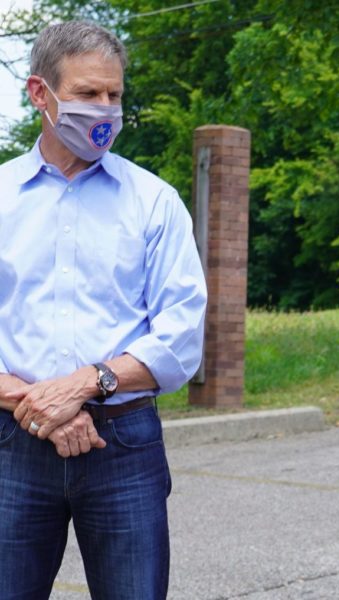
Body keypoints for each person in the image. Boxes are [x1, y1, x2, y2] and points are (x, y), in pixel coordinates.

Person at [0, 20, 207, 599]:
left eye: (115, 95)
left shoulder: (154, 202)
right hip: (13, 446)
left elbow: (181, 334)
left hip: (124, 446)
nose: (105, 110)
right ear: (40, 94)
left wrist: (89, 383)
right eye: (88, 94)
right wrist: (39, 405)